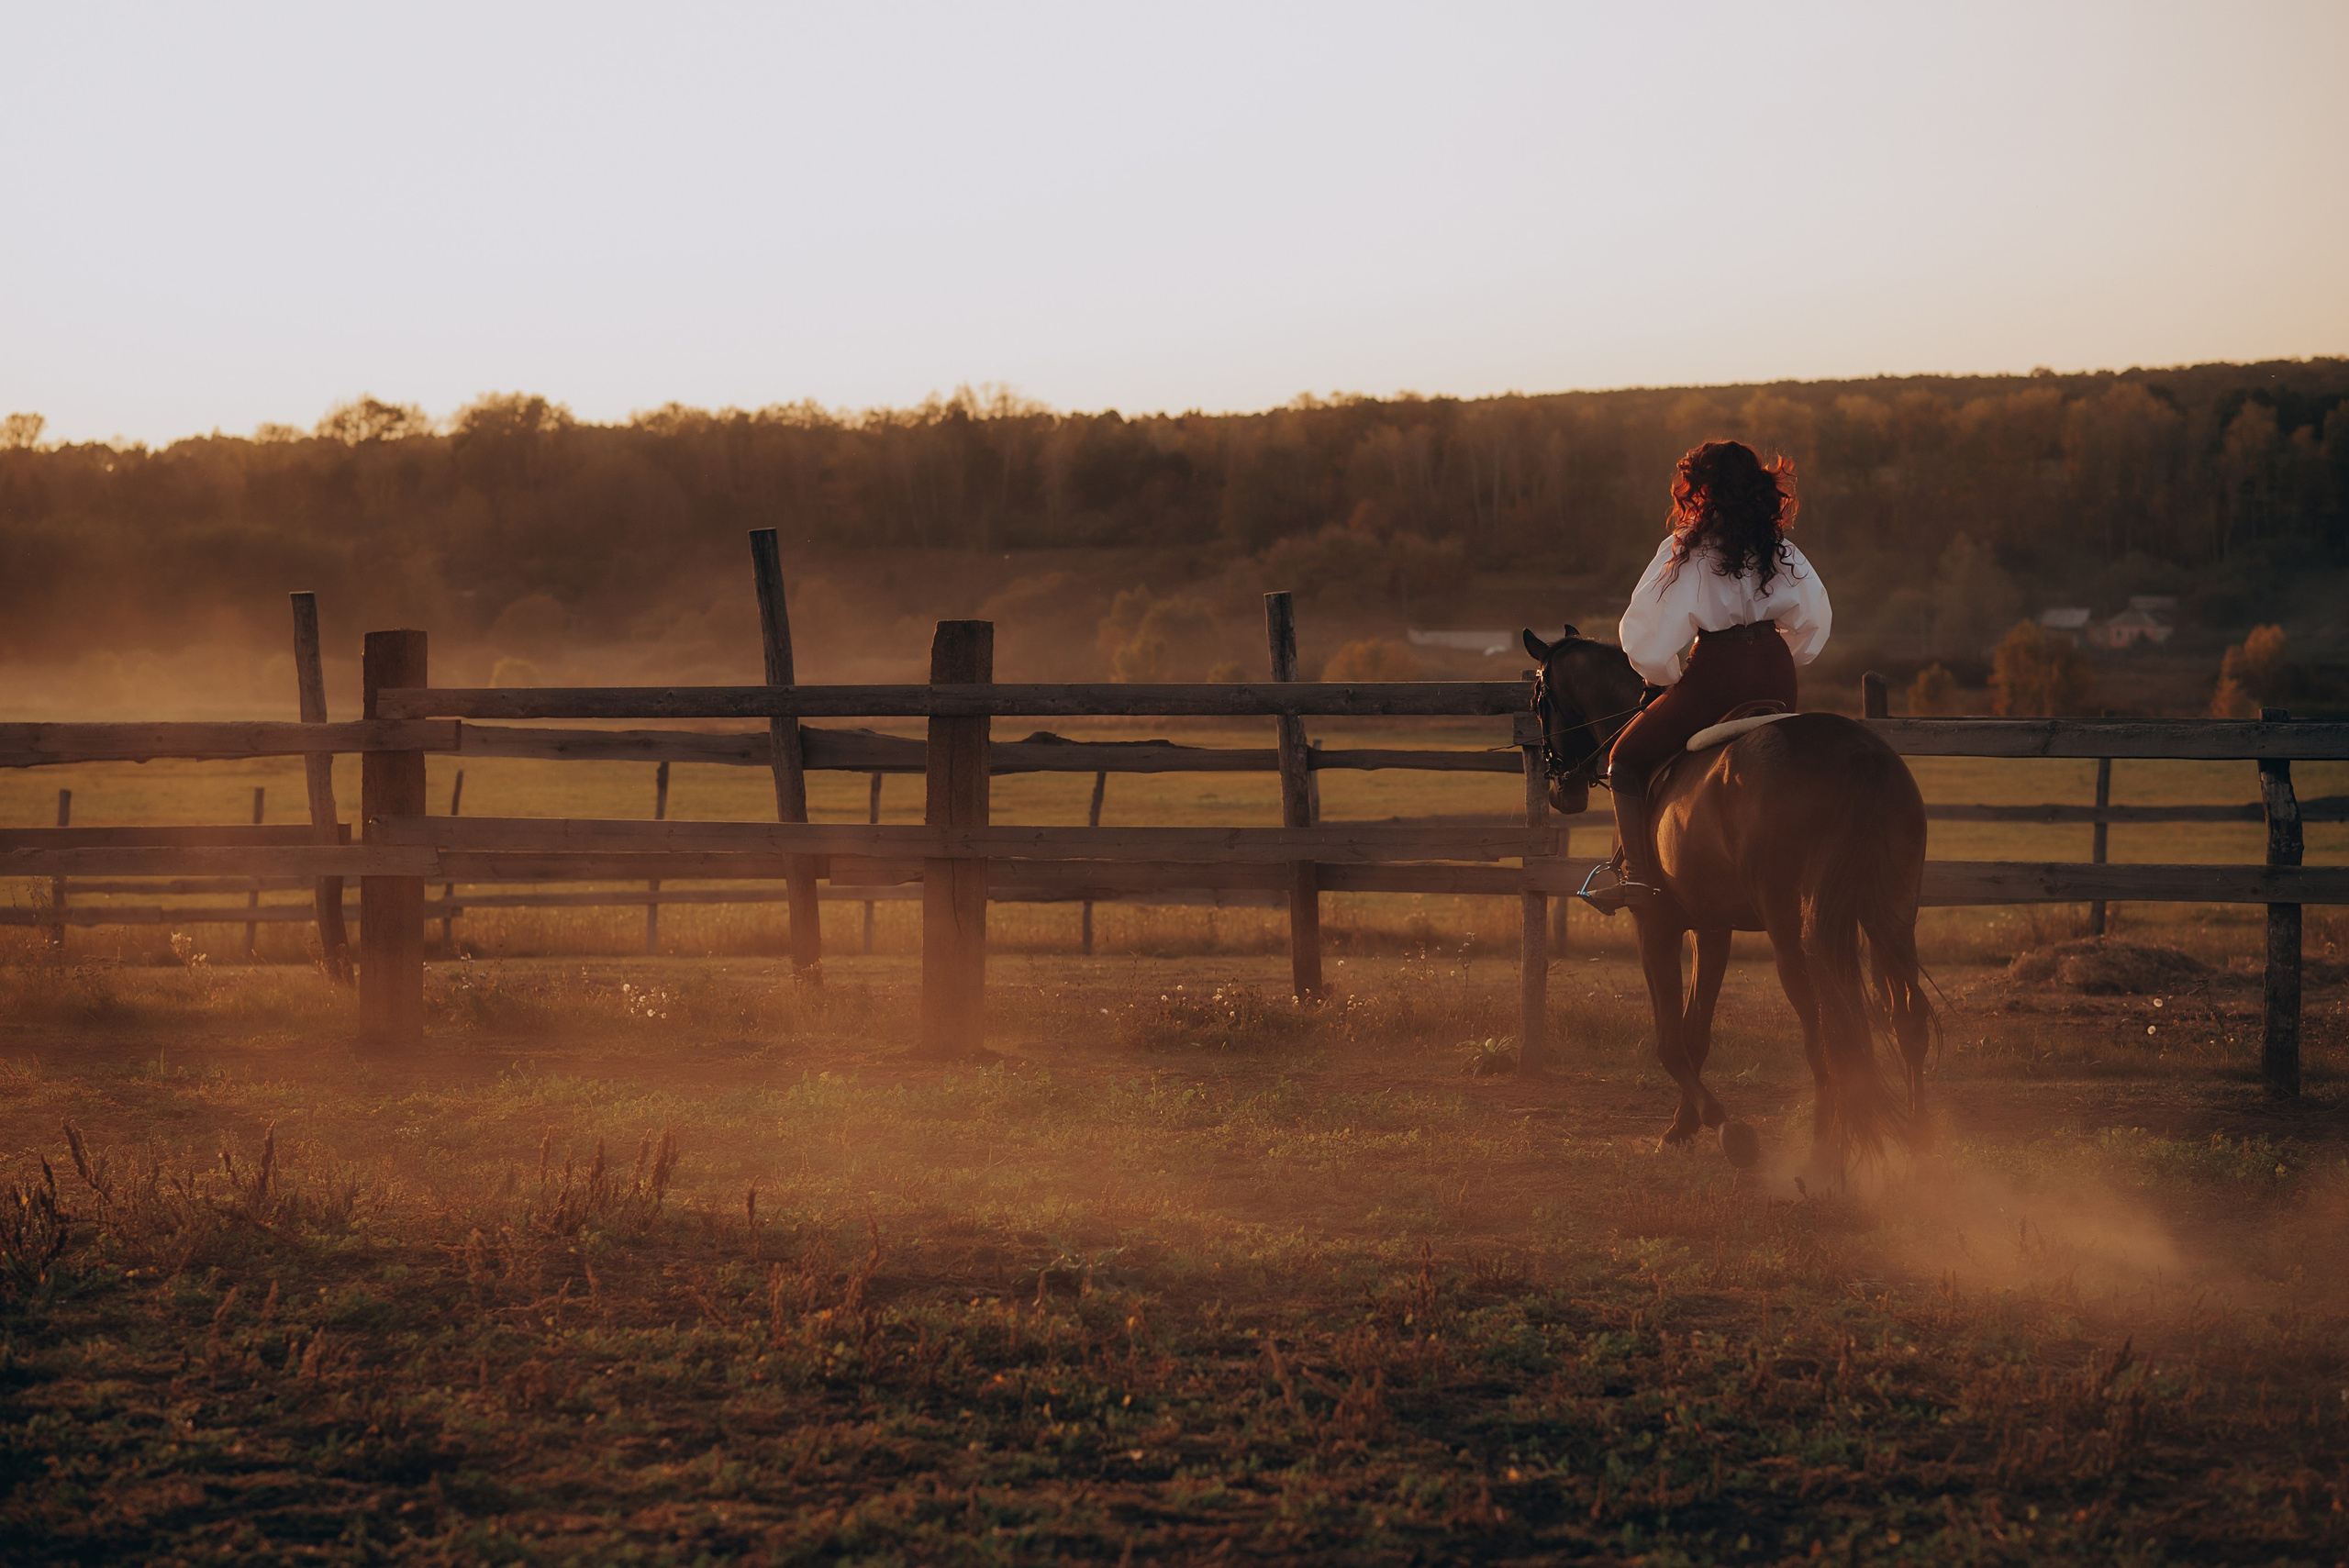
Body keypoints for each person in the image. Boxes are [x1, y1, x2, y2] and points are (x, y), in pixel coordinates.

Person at [1581, 439, 1831, 914]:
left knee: (1626, 759)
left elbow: (1644, 636)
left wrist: (1668, 678)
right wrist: (1782, 661)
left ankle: (1637, 881)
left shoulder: (1686, 548)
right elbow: (1816, 623)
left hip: (1717, 675)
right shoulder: (1781, 547)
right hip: (1777, 675)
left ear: (1701, 488)